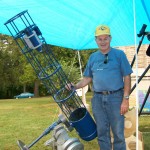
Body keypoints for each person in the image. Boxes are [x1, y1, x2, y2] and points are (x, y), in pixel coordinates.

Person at [66, 25, 133, 150]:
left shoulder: (119, 54)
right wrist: (74, 86)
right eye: (100, 39)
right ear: (96, 40)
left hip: (116, 98)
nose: (103, 42)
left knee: (118, 133)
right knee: (102, 133)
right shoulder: (93, 57)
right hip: (97, 99)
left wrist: (126, 99)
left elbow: (127, 77)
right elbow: (87, 78)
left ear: (110, 38)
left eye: (105, 38)